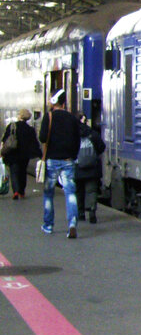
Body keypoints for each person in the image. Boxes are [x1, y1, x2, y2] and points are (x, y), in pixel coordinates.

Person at [39, 90, 81, 238]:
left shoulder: (48, 117)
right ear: (64, 103)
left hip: (52, 160)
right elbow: (78, 140)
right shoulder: (72, 118)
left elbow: (43, 137)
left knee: (49, 193)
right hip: (68, 160)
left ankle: (48, 225)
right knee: (70, 192)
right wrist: (73, 156)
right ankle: (72, 223)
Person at [2, 109, 40, 199]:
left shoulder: (12, 126)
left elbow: (4, 140)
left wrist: (2, 152)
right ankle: (22, 191)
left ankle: (16, 191)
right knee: (23, 172)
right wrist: (39, 154)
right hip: (24, 155)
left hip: (13, 154)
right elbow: (34, 142)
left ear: (19, 116)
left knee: (14, 172)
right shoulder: (30, 129)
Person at [75, 115, 106, 224]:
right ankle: (92, 213)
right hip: (92, 168)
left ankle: (80, 213)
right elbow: (102, 147)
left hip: (77, 168)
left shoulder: (72, 135)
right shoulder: (93, 134)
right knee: (91, 191)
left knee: (79, 191)